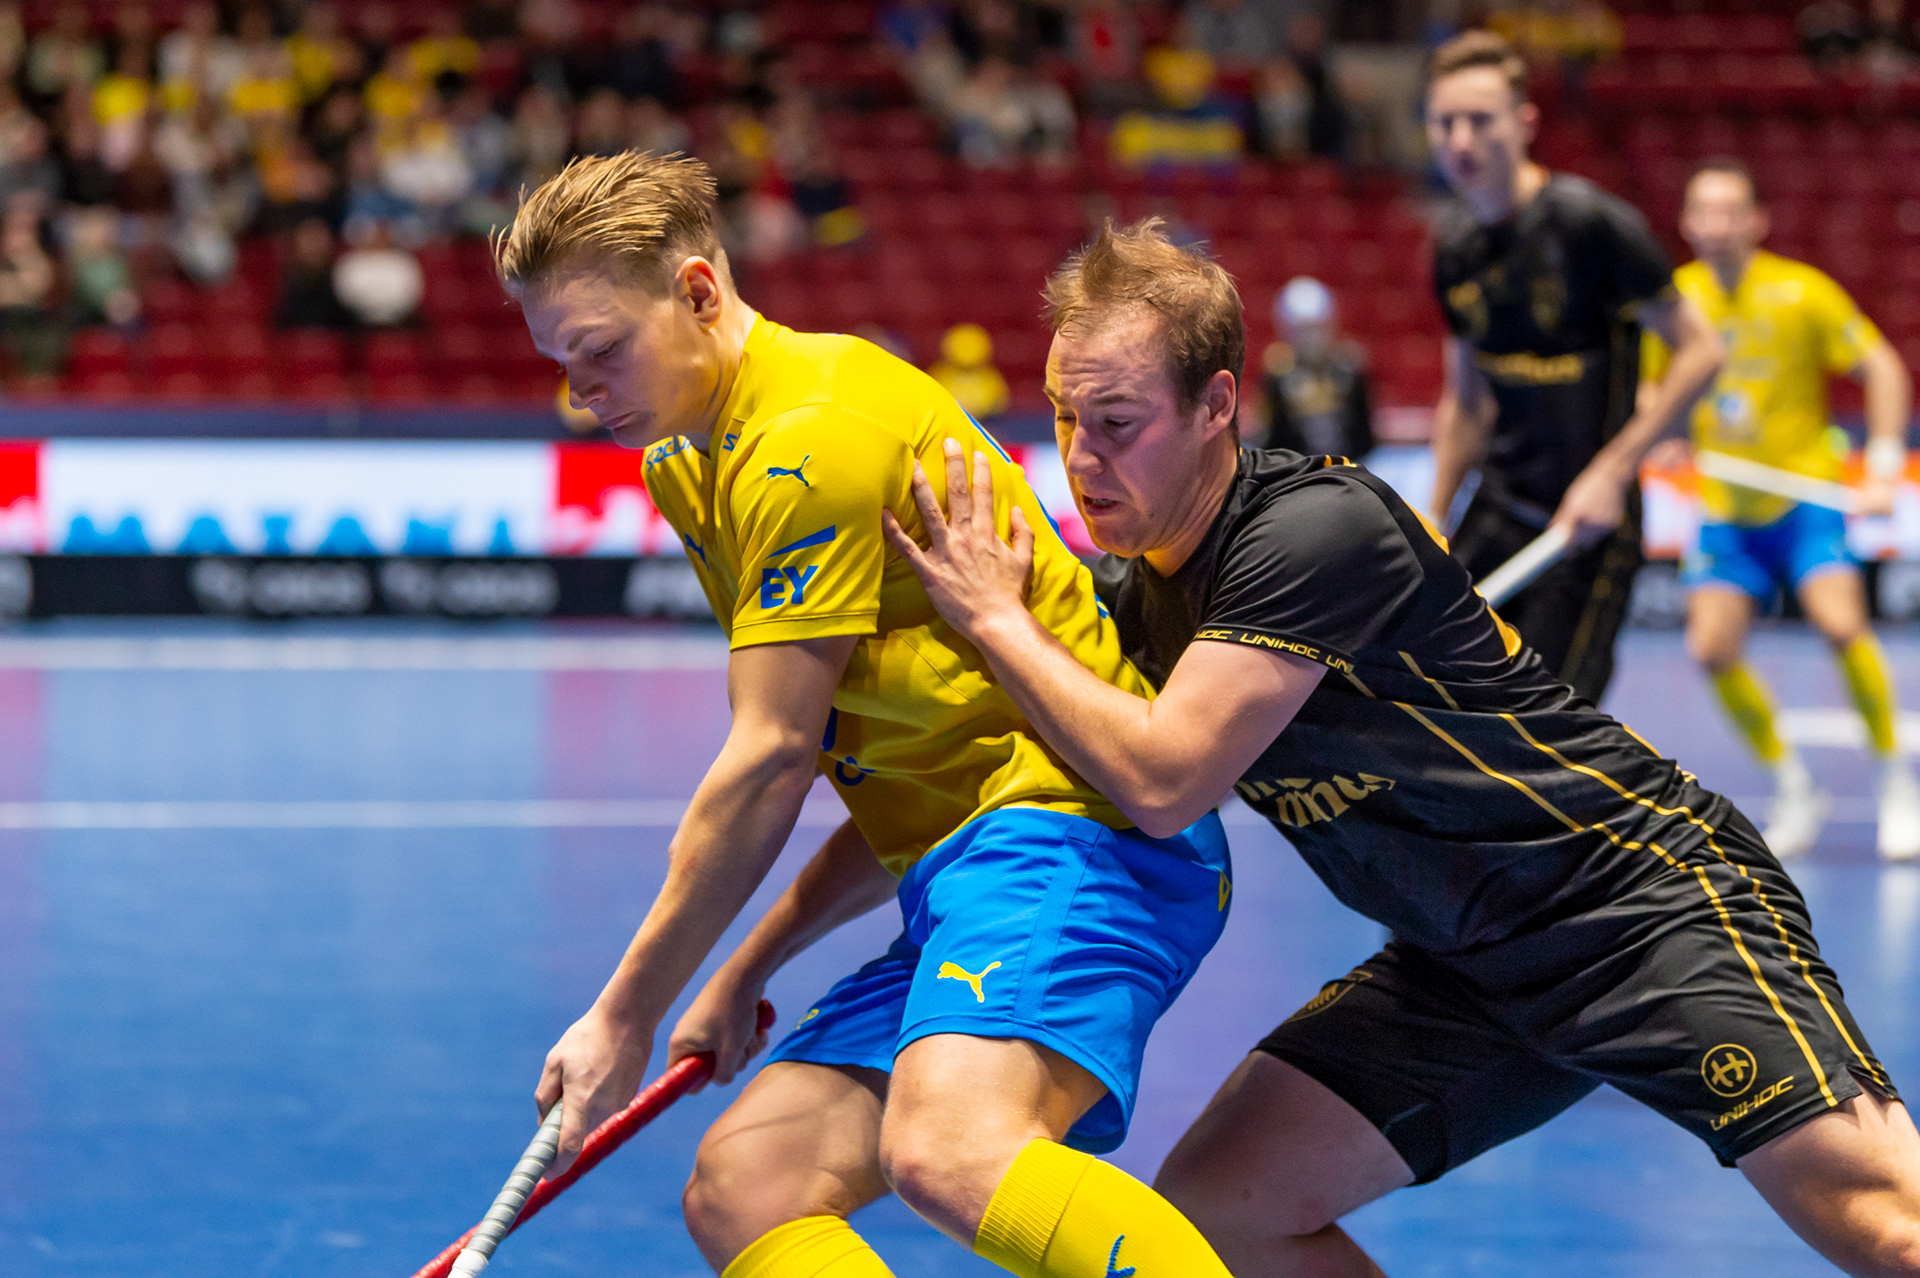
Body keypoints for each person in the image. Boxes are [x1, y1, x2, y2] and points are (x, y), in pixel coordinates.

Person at [881, 216, 1920, 1278]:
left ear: (1217, 405)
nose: (1081, 457)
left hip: (1634, 905)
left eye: (1116, 421)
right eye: (1063, 417)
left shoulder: (1313, 531)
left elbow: (1163, 780)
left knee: (1889, 1227)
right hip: (1465, 964)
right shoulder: (1141, 596)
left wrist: (996, 619)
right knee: (1220, 1208)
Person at [499, 151, 1240, 1278]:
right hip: (970, 862)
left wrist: (624, 1013)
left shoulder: (809, 439)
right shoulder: (690, 463)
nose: (582, 388)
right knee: (749, 1186)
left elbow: (770, 759)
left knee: (952, 1148)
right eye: (562, 362)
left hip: (1087, 834)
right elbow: (902, 775)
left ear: (698, 291)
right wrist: (746, 965)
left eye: (602, 349)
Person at [1425, 30, 1724, 705]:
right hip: (1499, 507)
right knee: (1439, 701)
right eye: (1445, 122)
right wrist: (1435, 514)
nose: (1461, 140)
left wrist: (1613, 472)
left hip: (1590, 522)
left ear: (1525, 123)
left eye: (1480, 120)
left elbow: (1703, 350)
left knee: (1548, 722)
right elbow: (1465, 402)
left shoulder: (1592, 225)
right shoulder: (1453, 245)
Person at [1644, 158, 1920, 861]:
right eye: (1704, 211)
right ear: (1686, 223)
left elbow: (1884, 369)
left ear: (1758, 221)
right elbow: (1652, 395)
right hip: (1726, 511)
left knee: (1842, 626)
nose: (1717, 225)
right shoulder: (1674, 301)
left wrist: (1883, 465)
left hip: (1805, 504)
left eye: (1731, 211)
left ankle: (1896, 783)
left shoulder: (1801, 292)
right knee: (1710, 649)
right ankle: (1794, 786)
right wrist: (1664, 435)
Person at [1254, 275, 1372, 458]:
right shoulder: (1277, 374)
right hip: (1294, 470)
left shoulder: (1350, 369)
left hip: (1347, 466)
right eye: (1303, 329)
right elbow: (1270, 438)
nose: (1311, 338)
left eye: (1317, 328)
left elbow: (1365, 435)